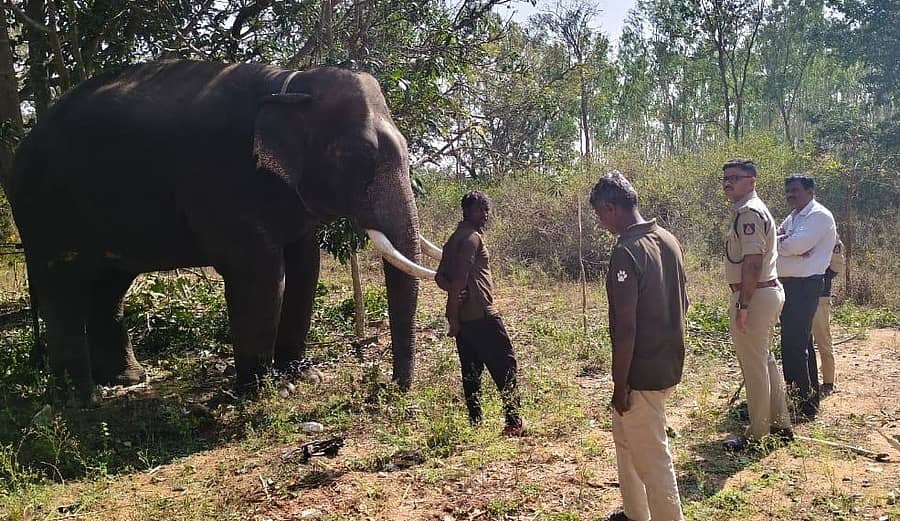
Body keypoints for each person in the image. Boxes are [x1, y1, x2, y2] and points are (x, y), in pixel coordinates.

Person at [590, 172, 686, 521]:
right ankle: (634, 512)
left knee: (653, 459)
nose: (600, 223)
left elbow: (626, 328)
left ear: (612, 208)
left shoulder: (626, 251)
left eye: (600, 215)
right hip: (667, 360)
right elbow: (684, 304)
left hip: (641, 371)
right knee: (625, 438)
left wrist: (620, 384)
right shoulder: (667, 239)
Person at [434, 191, 524, 436]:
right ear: (466, 212)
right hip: (482, 315)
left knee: (471, 372)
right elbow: (459, 278)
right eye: (479, 210)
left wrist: (454, 299)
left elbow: (440, 277)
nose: (484, 215)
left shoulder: (452, 239)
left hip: (465, 320)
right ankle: (514, 422)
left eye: (486, 210)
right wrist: (453, 313)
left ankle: (475, 424)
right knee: (505, 364)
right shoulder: (472, 239)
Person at [721, 158, 792, 452]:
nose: (728, 183)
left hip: (756, 295)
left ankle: (758, 435)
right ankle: (779, 423)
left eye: (734, 178)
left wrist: (743, 305)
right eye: (725, 178)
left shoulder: (749, 212)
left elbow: (753, 262)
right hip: (764, 292)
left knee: (754, 366)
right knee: (764, 361)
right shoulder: (747, 210)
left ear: (751, 181)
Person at [777, 174, 837, 420]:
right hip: (790, 285)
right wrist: (783, 242)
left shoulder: (818, 216)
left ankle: (801, 406)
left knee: (794, 346)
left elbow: (794, 246)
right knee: (800, 344)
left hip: (805, 286)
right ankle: (807, 400)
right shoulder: (793, 217)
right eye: (788, 191)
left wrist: (785, 244)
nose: (791, 195)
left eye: (796, 190)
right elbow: (775, 238)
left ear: (810, 191)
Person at [812, 236, 845, 396]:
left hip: (820, 297)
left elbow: (836, 266)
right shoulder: (797, 224)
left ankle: (828, 382)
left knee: (823, 339)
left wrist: (822, 277)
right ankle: (807, 380)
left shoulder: (831, 236)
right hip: (798, 295)